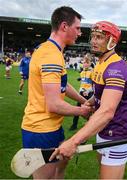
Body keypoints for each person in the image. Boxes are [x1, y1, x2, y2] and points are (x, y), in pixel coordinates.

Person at [50, 21, 127, 179]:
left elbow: (107, 111)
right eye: (93, 37)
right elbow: (99, 94)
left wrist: (74, 141)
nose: (93, 41)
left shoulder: (116, 68)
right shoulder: (101, 63)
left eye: (99, 37)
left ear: (112, 41)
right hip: (102, 131)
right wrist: (90, 101)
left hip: (117, 135)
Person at [21, 6, 91, 179]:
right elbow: (53, 104)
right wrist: (82, 111)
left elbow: (63, 86)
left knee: (59, 170)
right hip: (41, 129)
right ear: (64, 26)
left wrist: (83, 100)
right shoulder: (50, 55)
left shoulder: (50, 50)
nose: (80, 32)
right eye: (77, 28)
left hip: (51, 127)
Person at [69, 53, 94, 131]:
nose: (85, 64)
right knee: (78, 109)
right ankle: (74, 125)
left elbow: (94, 84)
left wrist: (88, 91)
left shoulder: (92, 72)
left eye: (87, 63)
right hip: (82, 93)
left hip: (89, 93)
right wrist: (81, 90)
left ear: (90, 63)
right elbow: (83, 82)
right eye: (84, 62)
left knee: (91, 110)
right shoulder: (82, 72)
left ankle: (91, 125)